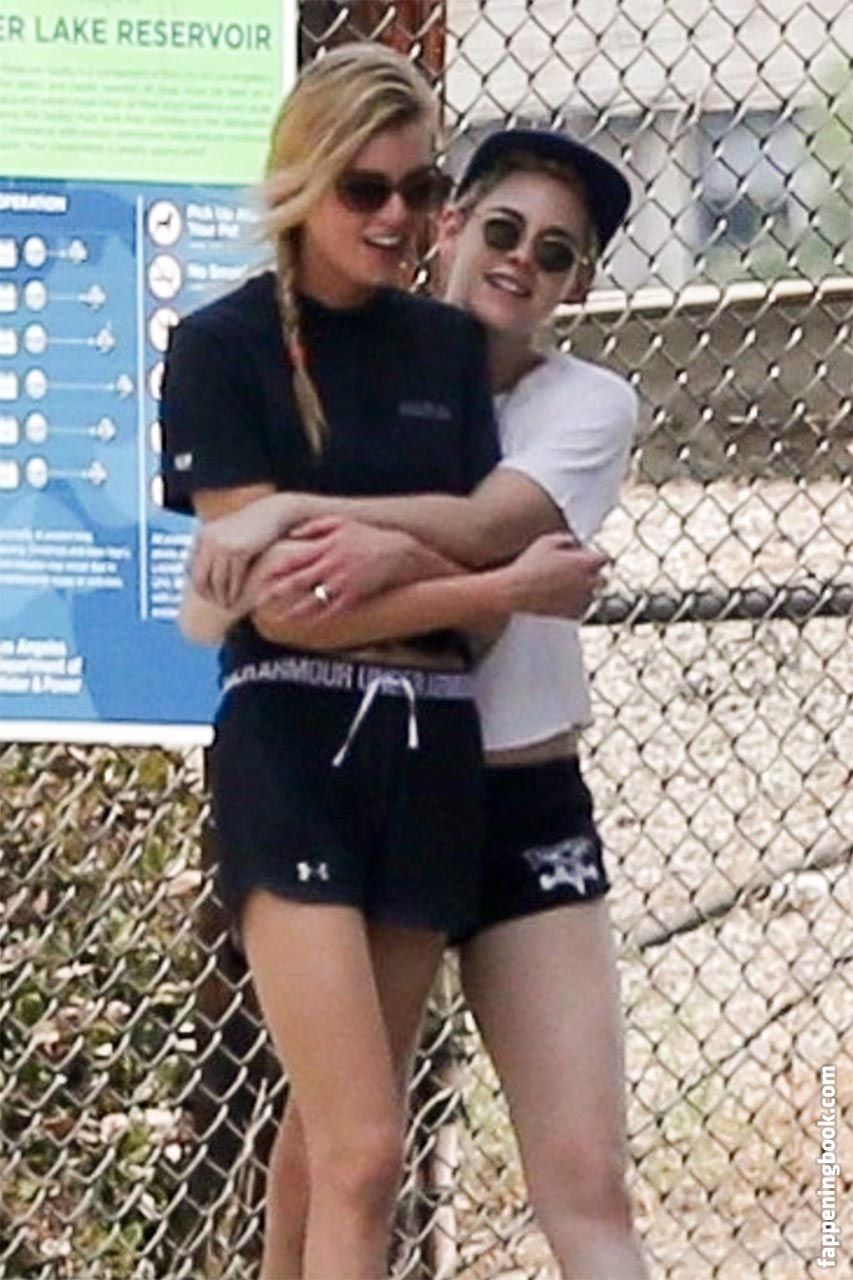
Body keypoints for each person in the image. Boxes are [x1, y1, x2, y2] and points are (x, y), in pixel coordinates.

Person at [160, 44, 607, 1280]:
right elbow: (283, 614)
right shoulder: (221, 347)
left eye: (420, 189)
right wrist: (498, 585)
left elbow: (461, 576)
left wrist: (357, 546)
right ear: (303, 181)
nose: (398, 218)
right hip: (294, 744)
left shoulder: (442, 350)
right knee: (366, 1146)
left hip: (428, 737)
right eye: (366, 188)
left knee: (332, 1139)